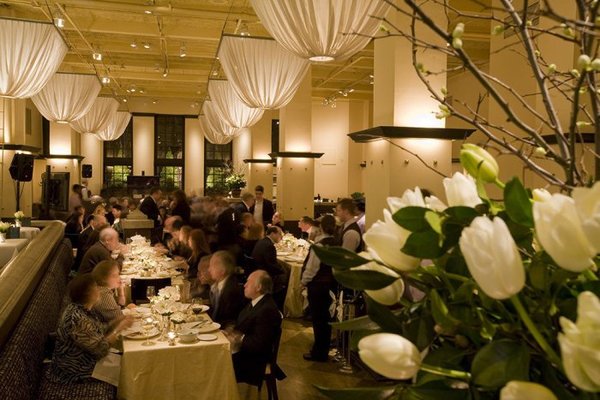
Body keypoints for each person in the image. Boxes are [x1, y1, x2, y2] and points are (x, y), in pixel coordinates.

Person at [48, 274, 133, 383]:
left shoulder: (80, 308)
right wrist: (119, 329)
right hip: (74, 370)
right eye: (96, 287)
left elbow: (100, 329)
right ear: (89, 293)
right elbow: (100, 349)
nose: (99, 290)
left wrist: (119, 320)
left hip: (87, 359)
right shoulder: (77, 320)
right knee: (129, 371)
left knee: (129, 361)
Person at [226, 270, 283, 386]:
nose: (245, 285)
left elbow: (260, 344)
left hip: (254, 361)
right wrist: (231, 331)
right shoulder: (256, 302)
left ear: (259, 287)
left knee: (215, 362)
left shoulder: (267, 309)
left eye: (248, 282)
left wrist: (238, 337)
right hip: (245, 353)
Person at [301, 215, 339, 362]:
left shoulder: (319, 246)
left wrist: (303, 281)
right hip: (331, 285)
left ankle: (319, 352)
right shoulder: (337, 243)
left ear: (321, 227)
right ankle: (323, 349)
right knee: (326, 319)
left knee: (318, 320)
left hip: (317, 286)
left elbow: (312, 268)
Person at [251, 226, 286, 310]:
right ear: (273, 233)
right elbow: (272, 266)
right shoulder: (269, 246)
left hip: (257, 269)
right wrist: (283, 270)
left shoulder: (262, 241)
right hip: (265, 273)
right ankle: (280, 306)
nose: (281, 237)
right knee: (286, 276)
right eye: (280, 234)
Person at [207, 251, 246, 326]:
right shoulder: (217, 285)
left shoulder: (233, 289)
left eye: (212, 266)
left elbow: (230, 319)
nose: (209, 269)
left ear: (223, 271)